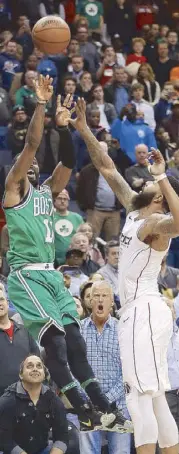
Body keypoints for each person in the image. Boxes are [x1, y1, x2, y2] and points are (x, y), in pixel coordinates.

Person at [3, 76, 130, 433]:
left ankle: (104, 410)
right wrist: (41, 105)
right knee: (56, 346)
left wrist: (70, 126)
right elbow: (31, 143)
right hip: (27, 277)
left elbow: (70, 162)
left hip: (51, 274)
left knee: (75, 342)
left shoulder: (47, 191)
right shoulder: (14, 190)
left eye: (32, 163)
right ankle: (82, 407)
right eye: (22, 163)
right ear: (16, 168)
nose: (29, 165)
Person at [69, 97, 179, 453]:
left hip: (144, 309)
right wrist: (84, 128)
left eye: (152, 181)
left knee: (137, 396)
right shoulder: (135, 205)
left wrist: (163, 177)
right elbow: (105, 165)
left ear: (161, 196)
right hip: (143, 311)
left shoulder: (154, 223)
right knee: (156, 395)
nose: (142, 178)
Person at [79, 281, 132, 454]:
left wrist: (105, 399)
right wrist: (92, 399)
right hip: (88, 406)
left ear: (111, 302)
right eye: (96, 296)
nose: (100, 299)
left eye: (105, 296)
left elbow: (128, 372)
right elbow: (72, 368)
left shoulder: (123, 330)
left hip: (118, 406)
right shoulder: (78, 330)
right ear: (90, 301)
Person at [0, 355, 69, 454]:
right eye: (29, 366)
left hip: (43, 450)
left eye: (39, 366)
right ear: (21, 375)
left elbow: (62, 436)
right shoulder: (7, 401)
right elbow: (4, 439)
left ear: (44, 374)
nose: (35, 369)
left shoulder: (54, 401)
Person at [0, 284, 40, 397]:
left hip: (27, 397)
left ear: (8, 303)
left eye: (1, 299)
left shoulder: (25, 331)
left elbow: (37, 361)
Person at [76, 142, 121, 240]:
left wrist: (119, 206)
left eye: (104, 151)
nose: (102, 154)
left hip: (114, 212)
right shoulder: (86, 171)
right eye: (99, 151)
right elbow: (79, 192)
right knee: (91, 240)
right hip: (94, 211)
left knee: (113, 242)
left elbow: (122, 188)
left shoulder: (115, 169)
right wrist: (87, 208)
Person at [54, 189, 83, 266]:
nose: (62, 201)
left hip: (74, 258)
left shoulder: (77, 218)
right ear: (54, 200)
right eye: (59, 198)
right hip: (54, 259)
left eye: (65, 199)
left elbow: (83, 237)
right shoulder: (48, 216)